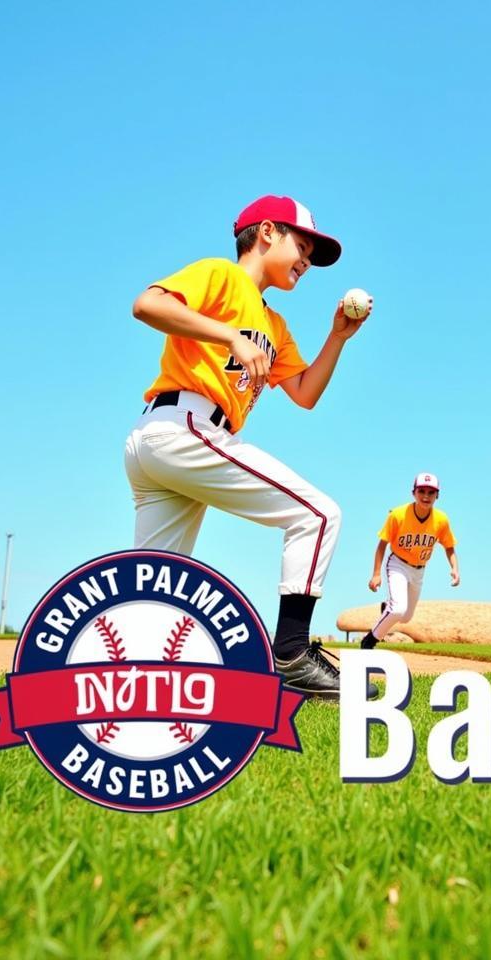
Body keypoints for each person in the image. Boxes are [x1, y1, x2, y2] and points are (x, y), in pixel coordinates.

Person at [124, 194, 371, 700]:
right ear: (266, 233)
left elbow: (304, 394)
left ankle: (131, 681)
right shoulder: (221, 275)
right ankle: (292, 653)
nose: (306, 260)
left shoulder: (275, 325)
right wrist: (230, 337)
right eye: (302, 245)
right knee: (318, 514)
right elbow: (148, 305)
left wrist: (338, 337)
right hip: (183, 426)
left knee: (154, 582)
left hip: (172, 443)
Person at [361, 473, 460, 648]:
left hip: (419, 570)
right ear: (413, 493)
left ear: (437, 495)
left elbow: (449, 546)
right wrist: (376, 574)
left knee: (406, 617)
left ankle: (387, 607)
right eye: (421, 491)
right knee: (398, 609)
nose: (426, 496)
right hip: (398, 564)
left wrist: (454, 568)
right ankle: (369, 640)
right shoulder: (398, 515)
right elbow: (382, 545)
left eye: (431, 492)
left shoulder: (441, 520)